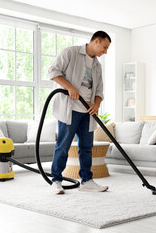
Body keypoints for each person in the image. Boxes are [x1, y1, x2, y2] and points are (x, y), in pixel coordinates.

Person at [48, 31, 111, 194]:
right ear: (96, 41)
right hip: (70, 108)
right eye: (104, 47)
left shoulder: (97, 65)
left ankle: (87, 180)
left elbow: (99, 90)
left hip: (88, 112)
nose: (105, 52)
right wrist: (69, 87)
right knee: (63, 146)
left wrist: (96, 104)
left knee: (87, 147)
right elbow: (53, 71)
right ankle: (56, 180)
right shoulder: (71, 53)